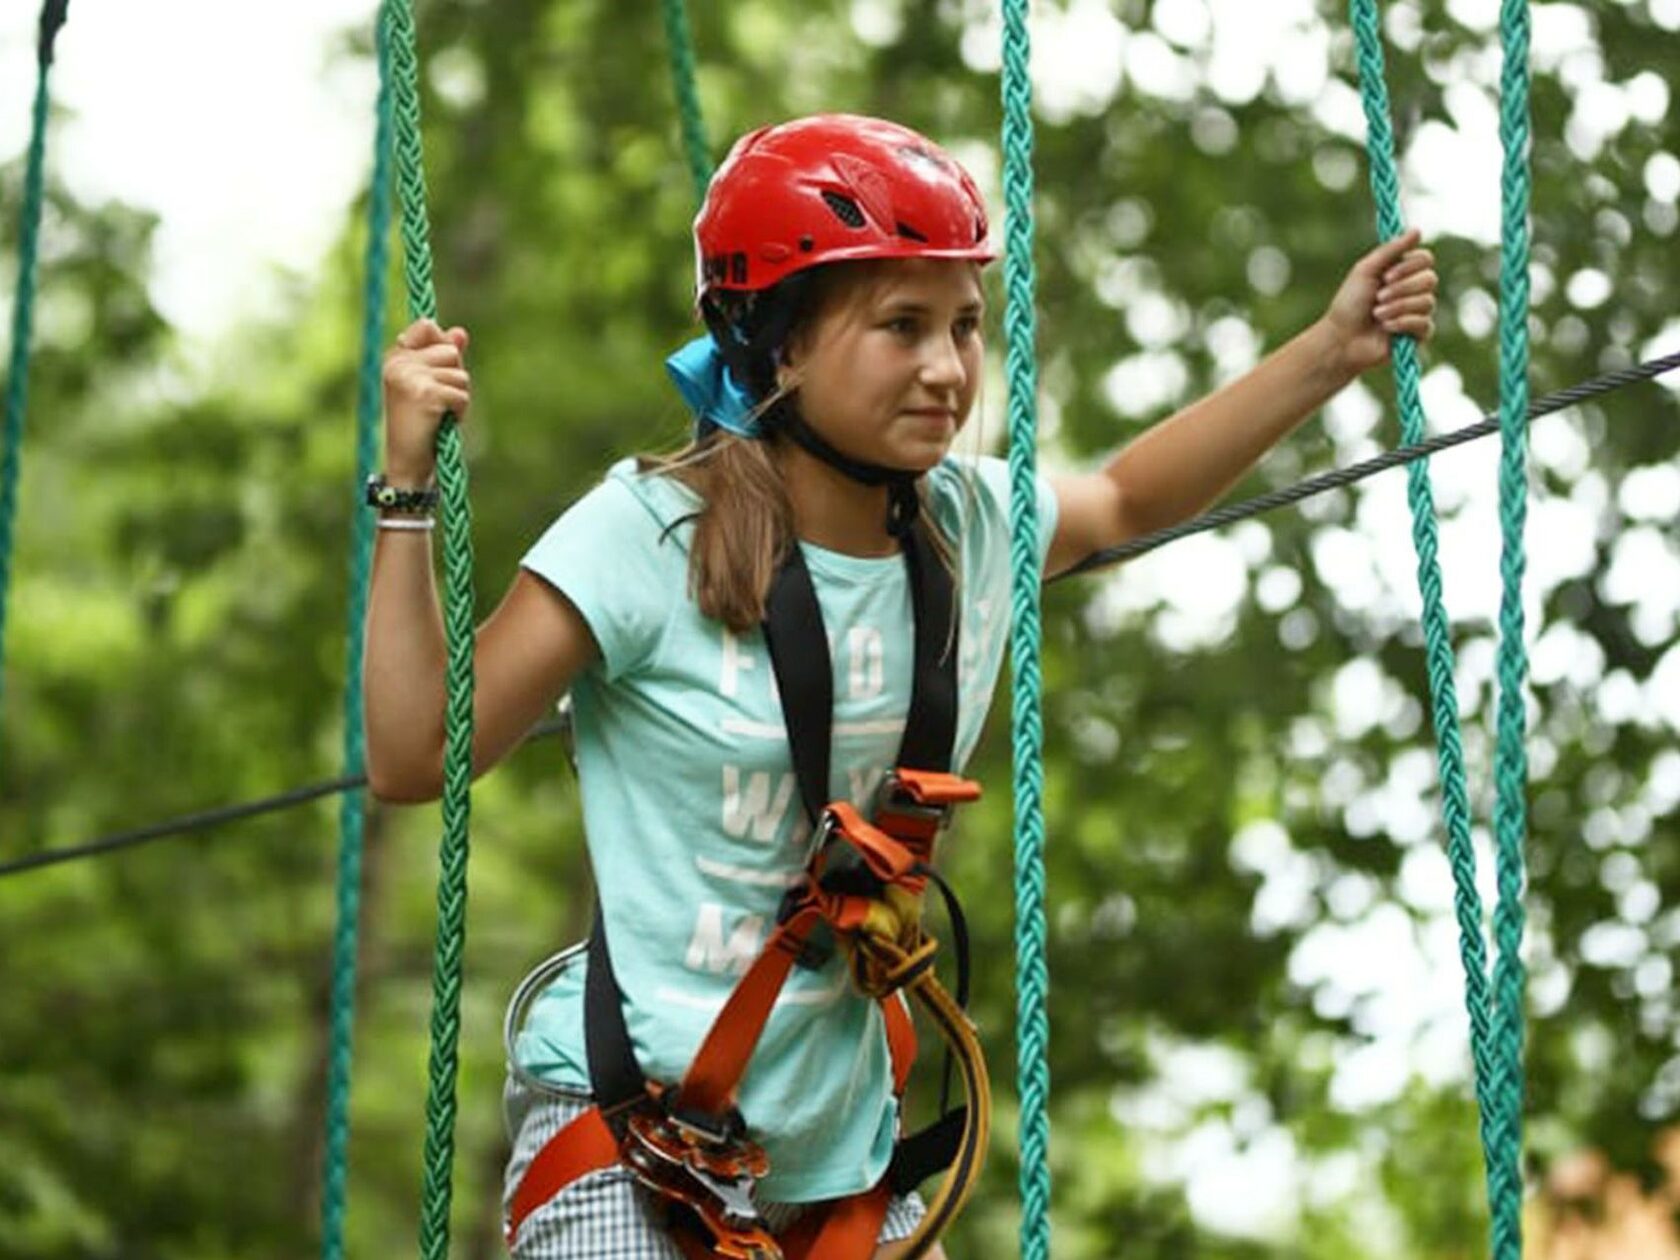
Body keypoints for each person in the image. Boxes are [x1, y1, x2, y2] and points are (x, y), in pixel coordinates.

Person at [363, 114, 1438, 1260]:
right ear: (779, 345)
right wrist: (406, 487)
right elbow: (415, 753)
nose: (947, 368)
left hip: (838, 1166)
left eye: (964, 327)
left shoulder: (971, 528)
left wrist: (1331, 351)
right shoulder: (648, 536)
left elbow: (1127, 499)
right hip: (630, 1144)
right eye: (901, 327)